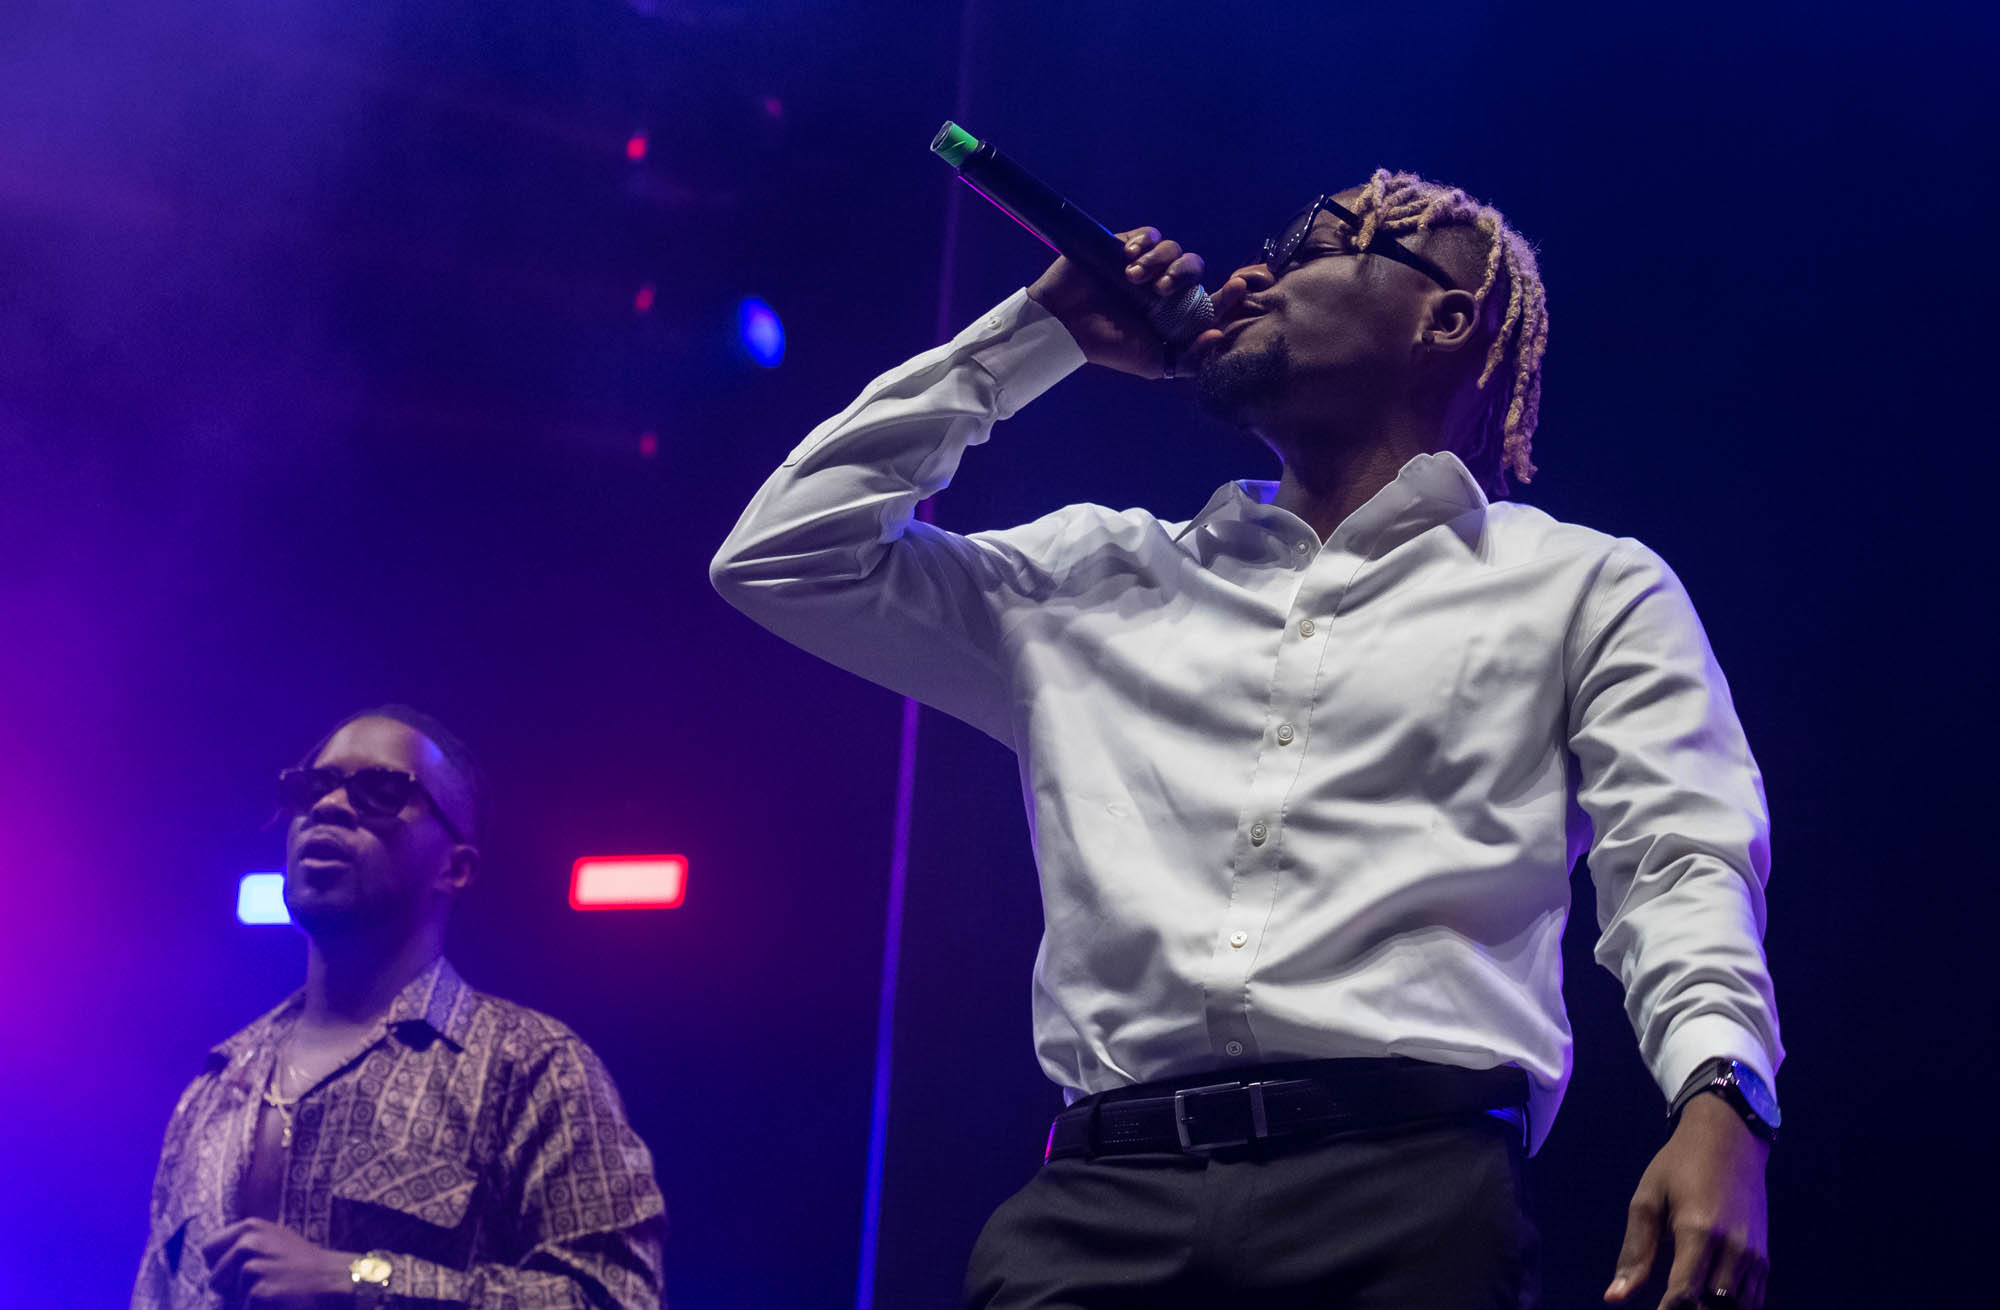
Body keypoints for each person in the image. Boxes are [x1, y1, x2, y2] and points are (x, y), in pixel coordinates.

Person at [711, 169, 1781, 1309]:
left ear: (1446, 316)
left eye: (1321, 244)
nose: (1254, 270)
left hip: (1403, 1192)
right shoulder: (1094, 573)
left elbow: (1677, 856)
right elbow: (782, 555)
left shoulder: (1581, 585)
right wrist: (1033, 338)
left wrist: (1721, 1092)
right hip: (1097, 1201)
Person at [133, 707, 666, 1309]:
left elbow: (618, 1300)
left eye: (382, 790)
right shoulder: (215, 1086)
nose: (329, 806)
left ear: (455, 868)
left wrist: (362, 1278)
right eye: (311, 787)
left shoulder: (532, 1066)